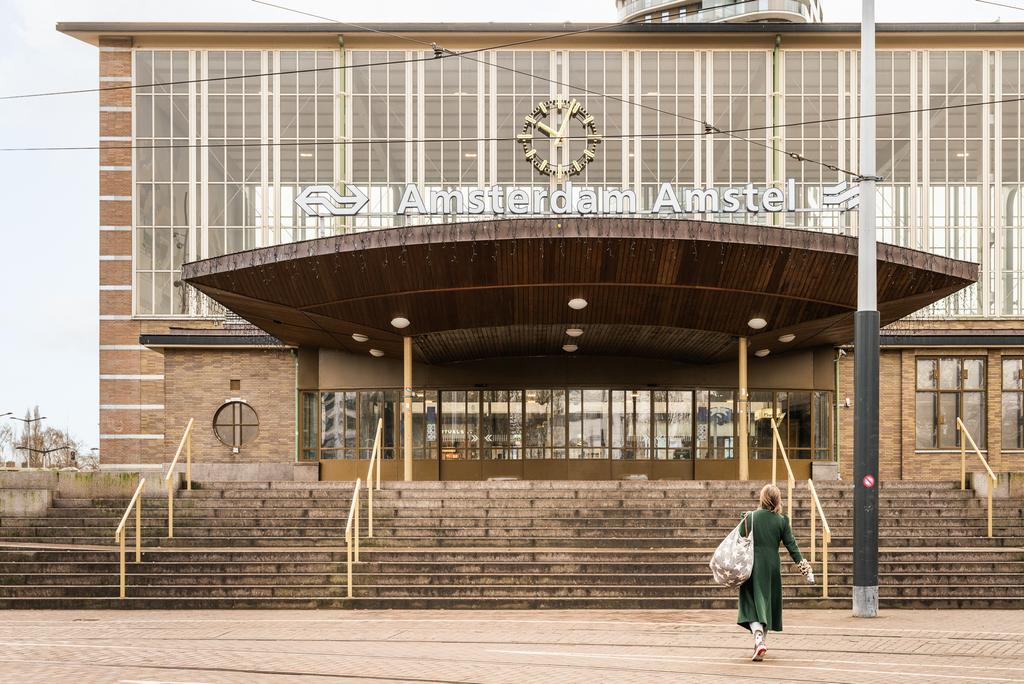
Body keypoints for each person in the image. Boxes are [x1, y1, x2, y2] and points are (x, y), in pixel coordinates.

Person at [736, 484, 812, 662]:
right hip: (772, 567)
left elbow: (738, 540)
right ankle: (760, 643)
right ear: (778, 500)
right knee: (767, 605)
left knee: (750, 603)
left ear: (762, 498)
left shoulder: (750, 518)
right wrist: (806, 569)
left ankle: (758, 639)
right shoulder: (782, 521)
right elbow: (792, 546)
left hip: (752, 566)